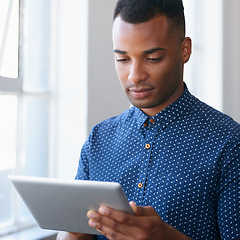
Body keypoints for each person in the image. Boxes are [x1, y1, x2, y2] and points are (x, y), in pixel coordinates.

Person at [57, 0, 240, 239]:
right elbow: (71, 233)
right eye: (123, 59)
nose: (135, 75)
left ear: (184, 50)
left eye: (152, 58)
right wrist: (72, 234)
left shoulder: (229, 143)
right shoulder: (99, 139)